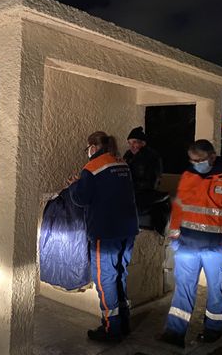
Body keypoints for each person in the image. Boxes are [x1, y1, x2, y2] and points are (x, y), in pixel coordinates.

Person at [160, 139, 222, 348]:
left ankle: (213, 330)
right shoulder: (188, 175)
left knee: (216, 291)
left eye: (200, 160)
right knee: (183, 289)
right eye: (193, 160)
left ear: (212, 157)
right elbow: (179, 208)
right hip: (187, 245)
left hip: (217, 248)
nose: (196, 164)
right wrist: (174, 236)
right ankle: (175, 332)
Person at [68, 131, 139, 343]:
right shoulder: (122, 163)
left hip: (106, 231)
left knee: (105, 277)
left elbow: (81, 198)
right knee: (120, 273)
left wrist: (74, 184)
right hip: (128, 228)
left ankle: (111, 327)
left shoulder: (91, 168)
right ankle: (124, 321)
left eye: (87, 147)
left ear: (93, 146)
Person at [123, 126, 162, 192]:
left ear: (143, 143)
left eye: (134, 142)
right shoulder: (128, 155)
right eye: (129, 143)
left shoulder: (151, 156)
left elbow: (152, 182)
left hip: (145, 194)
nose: (131, 146)